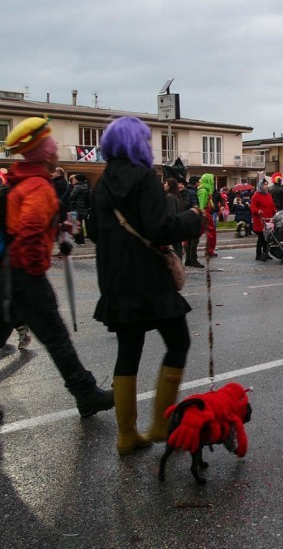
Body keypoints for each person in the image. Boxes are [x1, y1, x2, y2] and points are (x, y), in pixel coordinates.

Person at [0, 117, 114, 429]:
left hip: (3, 277)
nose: (55, 149)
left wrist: (57, 227)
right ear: (41, 151)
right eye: (51, 144)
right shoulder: (37, 184)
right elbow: (29, 230)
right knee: (56, 337)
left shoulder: (20, 180)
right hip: (23, 277)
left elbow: (24, 223)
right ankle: (85, 393)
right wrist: (35, 269)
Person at [87, 116, 202, 455]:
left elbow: (93, 232)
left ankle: (126, 435)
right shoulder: (145, 179)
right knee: (178, 342)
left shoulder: (103, 183)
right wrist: (192, 219)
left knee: (129, 351)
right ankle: (160, 423)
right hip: (150, 279)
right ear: (136, 144)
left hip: (115, 280)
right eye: (146, 140)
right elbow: (160, 228)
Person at [251, 175, 276, 261]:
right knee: (261, 238)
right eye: (264, 184)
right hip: (259, 220)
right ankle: (258, 255)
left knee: (267, 238)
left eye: (266, 184)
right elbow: (252, 207)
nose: (266, 186)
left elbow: (271, 205)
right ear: (261, 186)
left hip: (268, 219)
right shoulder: (256, 195)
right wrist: (257, 211)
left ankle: (266, 253)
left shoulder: (268, 195)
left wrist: (274, 211)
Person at [182, 176, 204, 268]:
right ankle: (193, 260)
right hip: (192, 218)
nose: (199, 184)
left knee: (189, 240)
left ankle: (188, 260)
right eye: (198, 182)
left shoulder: (186, 190)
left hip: (186, 218)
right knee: (194, 241)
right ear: (195, 183)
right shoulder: (192, 192)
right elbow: (195, 205)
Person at [197, 173, 218, 258]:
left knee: (200, 231)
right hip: (204, 212)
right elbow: (201, 205)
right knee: (211, 231)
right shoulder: (204, 191)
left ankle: (187, 246)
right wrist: (202, 214)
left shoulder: (204, 190)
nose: (213, 182)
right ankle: (210, 250)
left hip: (204, 212)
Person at [164, 177, 185, 260]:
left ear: (170, 186)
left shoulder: (169, 197)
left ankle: (176, 265)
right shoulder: (175, 196)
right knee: (177, 247)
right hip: (176, 226)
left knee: (174, 248)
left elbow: (171, 213)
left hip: (172, 227)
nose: (164, 185)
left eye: (166, 183)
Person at [69, 174, 90, 244]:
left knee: (76, 224)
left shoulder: (78, 187)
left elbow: (72, 196)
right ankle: (81, 240)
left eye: (75, 179)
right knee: (79, 224)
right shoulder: (86, 186)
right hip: (83, 208)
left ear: (78, 180)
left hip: (77, 208)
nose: (74, 180)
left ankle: (79, 240)